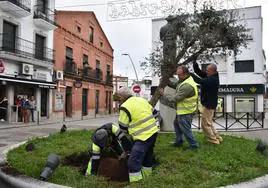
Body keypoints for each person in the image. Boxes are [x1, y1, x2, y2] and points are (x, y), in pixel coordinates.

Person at [116, 87, 159, 183]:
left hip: (141, 138)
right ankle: (148, 179)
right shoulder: (142, 100)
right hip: (153, 133)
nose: (119, 98)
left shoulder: (124, 106)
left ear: (122, 96)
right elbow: (155, 114)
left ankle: (137, 183)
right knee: (147, 158)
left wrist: (129, 134)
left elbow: (123, 127)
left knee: (133, 163)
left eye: (119, 96)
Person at [159, 65, 199, 150]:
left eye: (179, 75)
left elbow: (175, 99)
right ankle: (179, 141)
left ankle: (194, 145)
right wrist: (166, 80)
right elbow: (174, 85)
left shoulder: (187, 86)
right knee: (176, 124)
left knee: (185, 129)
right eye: (177, 74)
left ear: (184, 74)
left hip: (186, 111)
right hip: (182, 110)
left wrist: (164, 94)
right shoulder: (183, 80)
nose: (178, 76)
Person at [191, 61, 223, 145]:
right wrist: (194, 63)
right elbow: (199, 72)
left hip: (209, 105)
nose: (206, 72)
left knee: (205, 124)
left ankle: (213, 140)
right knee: (209, 123)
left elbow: (199, 80)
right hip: (209, 104)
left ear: (213, 71)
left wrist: (189, 73)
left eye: (208, 70)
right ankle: (217, 137)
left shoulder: (213, 80)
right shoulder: (210, 76)